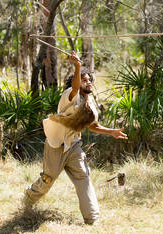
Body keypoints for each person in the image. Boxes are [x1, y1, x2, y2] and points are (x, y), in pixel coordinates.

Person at [23, 51, 128, 225]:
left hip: (73, 146)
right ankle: (28, 198)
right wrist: (78, 66)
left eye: (90, 80)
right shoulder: (70, 96)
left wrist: (111, 131)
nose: (87, 83)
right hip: (56, 144)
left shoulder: (90, 104)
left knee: (83, 177)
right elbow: (75, 85)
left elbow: (92, 126)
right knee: (48, 179)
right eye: (84, 80)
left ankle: (92, 219)